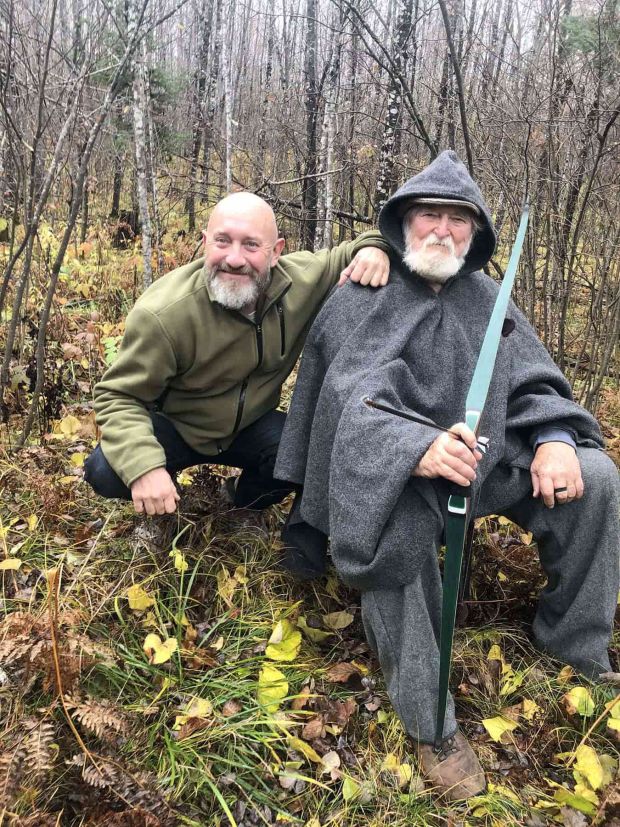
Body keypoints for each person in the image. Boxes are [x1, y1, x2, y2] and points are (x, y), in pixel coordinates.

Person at [274, 151, 619, 799]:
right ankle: (429, 719)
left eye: (458, 219)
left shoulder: (486, 296)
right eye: (429, 213)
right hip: (397, 473)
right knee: (396, 524)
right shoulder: (363, 292)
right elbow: (351, 397)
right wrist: (415, 446)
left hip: (482, 463)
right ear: (405, 222)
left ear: (475, 231)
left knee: (597, 476)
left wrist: (551, 438)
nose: (442, 229)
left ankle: (575, 645)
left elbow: (533, 379)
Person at [84, 192, 390, 527]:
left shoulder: (298, 283)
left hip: (249, 426)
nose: (234, 258)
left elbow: (355, 248)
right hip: (176, 425)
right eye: (222, 241)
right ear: (204, 243)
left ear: (276, 253)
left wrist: (375, 249)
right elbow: (118, 395)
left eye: (251, 245)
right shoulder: (163, 314)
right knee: (106, 471)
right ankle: (160, 504)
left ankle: (238, 501)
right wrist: (144, 466)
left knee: (302, 457)